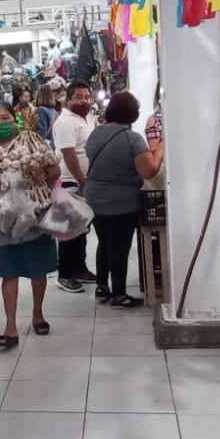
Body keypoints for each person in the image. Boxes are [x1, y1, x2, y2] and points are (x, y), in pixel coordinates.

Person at [0, 102, 60, 349]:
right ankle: (10, 327)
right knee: (8, 272)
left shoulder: (31, 141)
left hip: (34, 216)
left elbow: (54, 169)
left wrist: (34, 174)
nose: (0, 123)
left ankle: (38, 314)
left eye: (5, 117)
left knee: (37, 268)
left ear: (15, 118)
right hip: (4, 220)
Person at [83, 91, 163, 307]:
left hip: (95, 199)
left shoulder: (96, 133)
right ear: (133, 114)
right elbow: (148, 171)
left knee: (104, 243)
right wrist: (158, 151)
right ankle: (119, 294)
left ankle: (102, 287)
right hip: (122, 203)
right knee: (119, 248)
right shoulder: (132, 139)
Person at [50, 80, 96, 292]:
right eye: (79, 97)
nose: (84, 100)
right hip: (71, 181)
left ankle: (79, 268)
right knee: (68, 232)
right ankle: (65, 274)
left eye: (87, 96)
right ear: (69, 99)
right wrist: (81, 179)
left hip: (83, 181)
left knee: (81, 229)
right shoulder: (66, 122)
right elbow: (68, 154)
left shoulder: (84, 118)